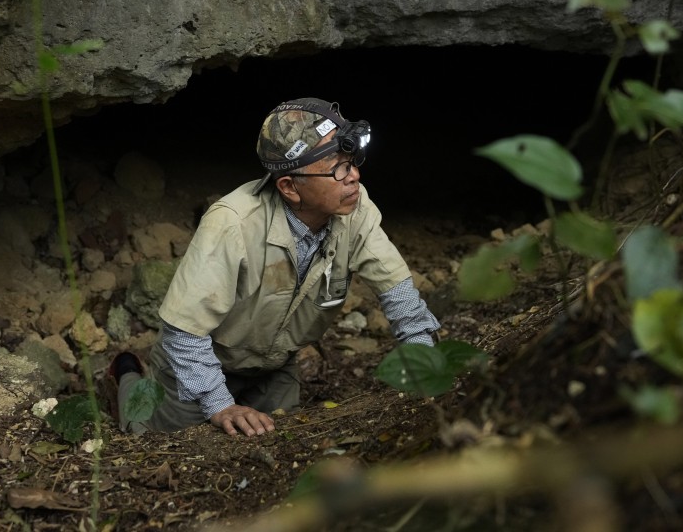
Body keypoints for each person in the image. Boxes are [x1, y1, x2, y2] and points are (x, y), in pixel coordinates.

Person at [106, 97, 441, 437]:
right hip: (198, 360)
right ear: (289, 188)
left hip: (273, 366)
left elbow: (399, 295)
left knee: (283, 443)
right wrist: (220, 404)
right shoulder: (233, 224)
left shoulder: (355, 208)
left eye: (352, 161)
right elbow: (185, 333)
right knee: (154, 438)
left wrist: (428, 372)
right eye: (337, 168)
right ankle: (127, 373)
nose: (353, 176)